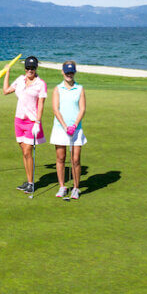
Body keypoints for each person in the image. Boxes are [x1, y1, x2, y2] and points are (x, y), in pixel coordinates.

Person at [3, 55, 47, 193]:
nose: (30, 70)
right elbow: (5, 91)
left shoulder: (40, 84)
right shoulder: (20, 80)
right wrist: (7, 72)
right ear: (25, 68)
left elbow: (40, 105)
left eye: (32, 68)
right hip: (19, 120)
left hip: (32, 122)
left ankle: (31, 183)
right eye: (28, 67)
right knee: (24, 152)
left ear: (36, 68)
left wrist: (37, 122)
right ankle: (29, 182)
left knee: (28, 151)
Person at [50, 61, 87, 200]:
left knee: (75, 159)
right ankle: (62, 186)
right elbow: (55, 109)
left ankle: (76, 188)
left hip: (76, 130)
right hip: (60, 128)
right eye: (67, 72)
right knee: (60, 158)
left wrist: (74, 125)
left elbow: (82, 108)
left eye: (71, 72)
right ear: (62, 72)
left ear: (75, 72)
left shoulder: (80, 88)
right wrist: (65, 126)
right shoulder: (57, 89)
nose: (69, 74)